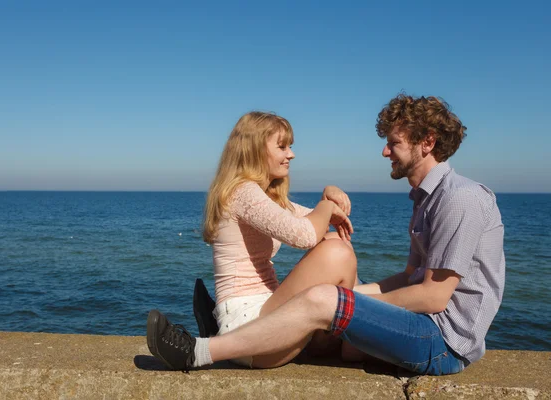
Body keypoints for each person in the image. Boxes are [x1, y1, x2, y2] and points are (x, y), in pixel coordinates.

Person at [146, 95, 505, 375]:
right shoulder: (425, 201)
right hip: (422, 325)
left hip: (440, 341)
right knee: (337, 292)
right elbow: (408, 278)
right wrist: (348, 299)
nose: (384, 151)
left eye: (393, 143)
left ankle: (199, 351)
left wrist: (344, 303)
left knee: (331, 289)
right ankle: (234, 333)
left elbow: (434, 297)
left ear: (427, 143)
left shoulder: (460, 199)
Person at [185, 111, 358, 369]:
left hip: (267, 314)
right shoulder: (242, 191)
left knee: (336, 243)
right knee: (336, 252)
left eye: (290, 147)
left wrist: (328, 200)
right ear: (254, 150)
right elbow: (306, 235)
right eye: (282, 147)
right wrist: (326, 206)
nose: (291, 154)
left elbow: (312, 222)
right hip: (248, 325)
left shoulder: (264, 196)